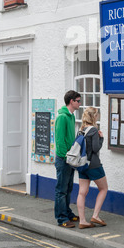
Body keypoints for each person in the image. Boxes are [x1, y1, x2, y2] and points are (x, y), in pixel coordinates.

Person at [77, 107, 108, 229]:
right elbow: (96, 148)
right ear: (94, 116)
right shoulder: (94, 131)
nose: (98, 116)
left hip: (82, 165)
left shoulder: (81, 130)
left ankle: (83, 221)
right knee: (104, 188)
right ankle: (95, 215)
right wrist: (101, 138)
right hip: (94, 165)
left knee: (82, 192)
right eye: (97, 114)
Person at [54, 90, 81, 228]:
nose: (79, 104)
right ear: (72, 101)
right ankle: (62, 218)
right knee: (61, 189)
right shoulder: (62, 117)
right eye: (78, 101)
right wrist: (66, 157)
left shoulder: (70, 116)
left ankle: (67, 212)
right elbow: (59, 141)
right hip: (63, 159)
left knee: (68, 188)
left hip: (69, 158)